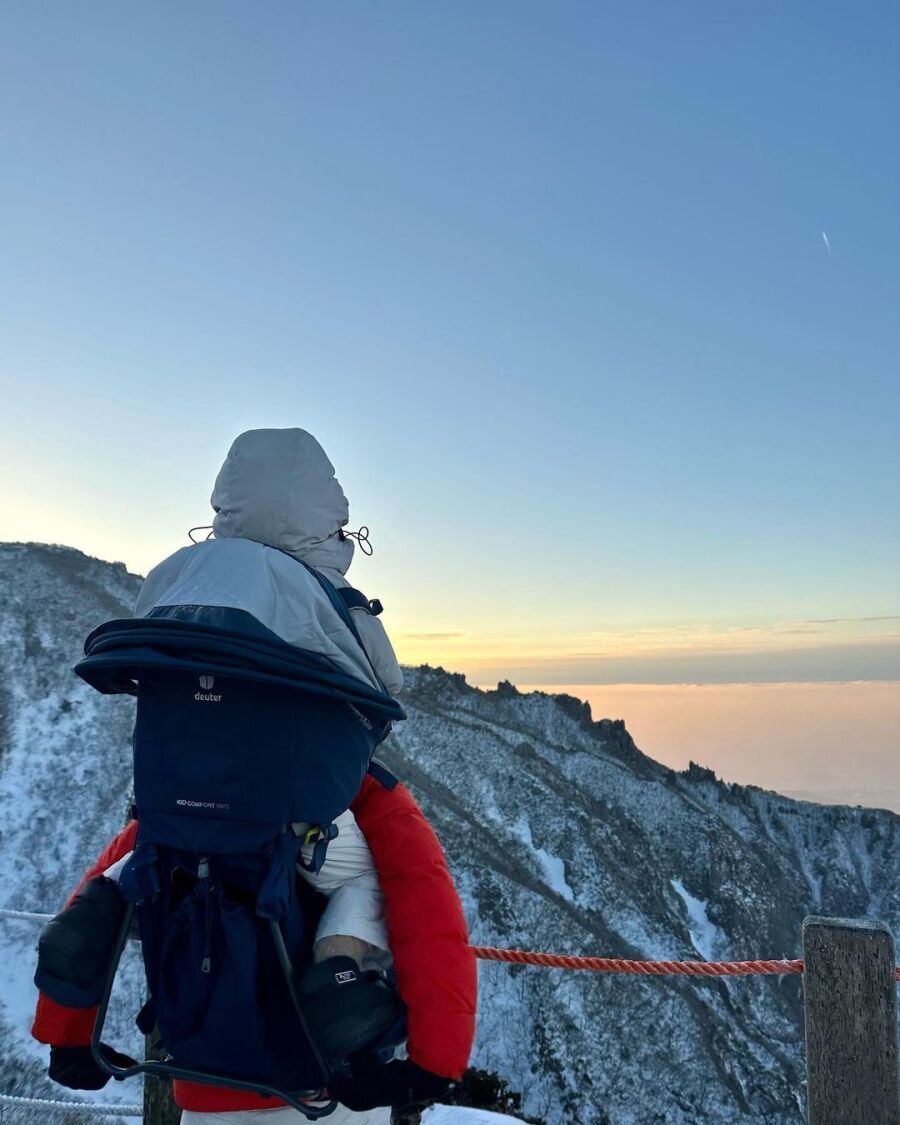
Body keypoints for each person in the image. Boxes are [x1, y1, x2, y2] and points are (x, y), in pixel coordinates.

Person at [32, 428, 477, 1123]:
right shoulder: (358, 777)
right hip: (317, 1091)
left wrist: (65, 1035)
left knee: (129, 869)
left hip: (199, 1074)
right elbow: (428, 904)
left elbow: (97, 891)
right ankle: (339, 986)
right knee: (376, 879)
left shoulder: (177, 586)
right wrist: (434, 1064)